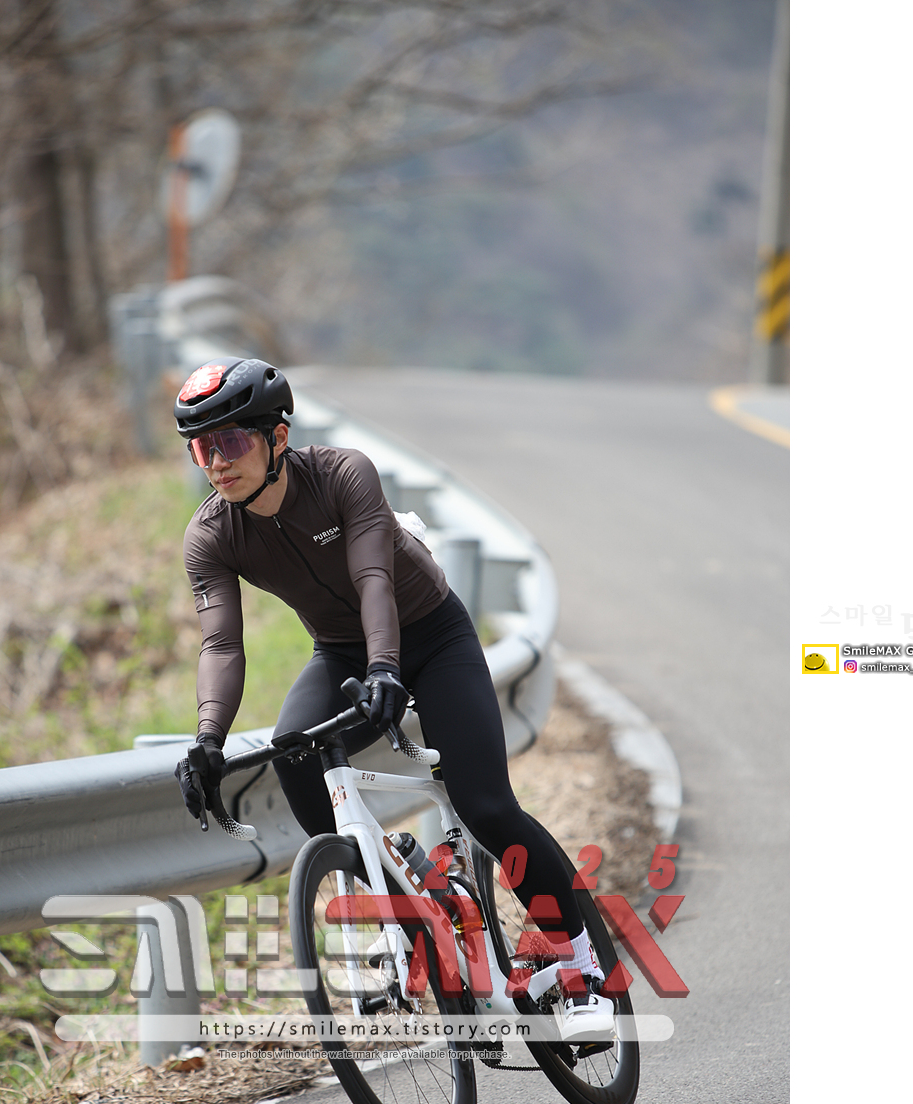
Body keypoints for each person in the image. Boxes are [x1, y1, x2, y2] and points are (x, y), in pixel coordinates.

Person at [170, 357, 612, 1039]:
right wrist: (207, 741)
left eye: (230, 440)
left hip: (431, 636)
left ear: (277, 436)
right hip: (342, 652)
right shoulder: (211, 535)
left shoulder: (343, 474)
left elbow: (373, 576)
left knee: (486, 806)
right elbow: (222, 645)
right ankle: (394, 889)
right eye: (203, 449)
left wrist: (386, 668)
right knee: (293, 751)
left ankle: (580, 964)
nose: (217, 462)